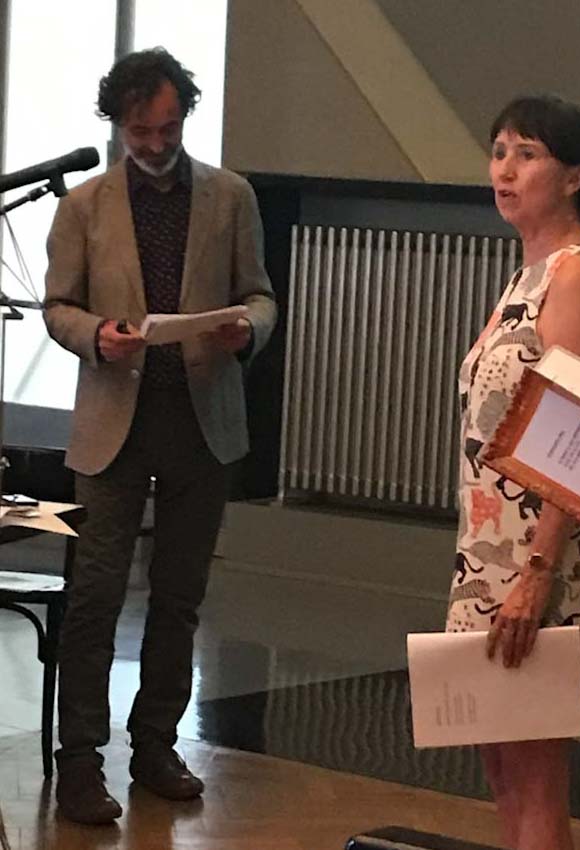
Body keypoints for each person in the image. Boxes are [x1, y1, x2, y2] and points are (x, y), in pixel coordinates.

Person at [43, 48, 276, 825]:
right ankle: (80, 762)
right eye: (140, 130)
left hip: (201, 421)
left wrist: (248, 330)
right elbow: (58, 307)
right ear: (118, 124)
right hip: (114, 421)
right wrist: (96, 336)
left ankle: (156, 747)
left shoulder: (230, 195)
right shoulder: (84, 206)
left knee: (178, 599)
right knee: (96, 597)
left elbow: (260, 295)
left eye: (168, 127)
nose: (155, 143)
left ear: (185, 118)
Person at [446, 95, 580, 850]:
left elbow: (576, 437)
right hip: (489, 553)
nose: (505, 170)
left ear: (576, 176)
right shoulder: (528, 274)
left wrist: (537, 574)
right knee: (502, 768)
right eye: (498, 152)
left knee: (535, 772)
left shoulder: (578, 277)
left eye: (527, 154)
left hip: (540, 560)